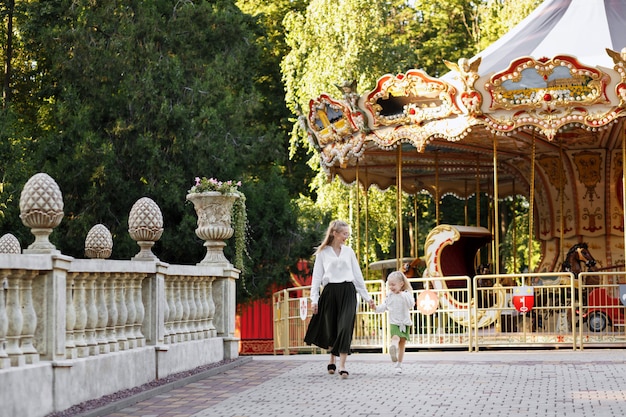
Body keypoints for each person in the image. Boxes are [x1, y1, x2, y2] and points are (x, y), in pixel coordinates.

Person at [304, 220, 376, 379]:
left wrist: (367, 298)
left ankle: (342, 365)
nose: (346, 237)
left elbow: (358, 276)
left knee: (345, 326)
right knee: (332, 328)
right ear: (335, 233)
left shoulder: (349, 252)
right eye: (344, 234)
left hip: (348, 291)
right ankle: (332, 358)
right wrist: (314, 300)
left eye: (347, 234)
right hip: (330, 293)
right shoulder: (323, 253)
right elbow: (316, 279)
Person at [375, 270, 415, 373]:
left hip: (405, 322)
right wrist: (375, 308)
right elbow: (384, 306)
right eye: (389, 285)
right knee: (395, 338)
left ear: (401, 284)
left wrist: (402, 294)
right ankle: (393, 348)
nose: (391, 287)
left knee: (402, 344)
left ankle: (399, 364)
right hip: (394, 322)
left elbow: (411, 304)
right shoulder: (390, 295)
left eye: (393, 285)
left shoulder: (406, 294)